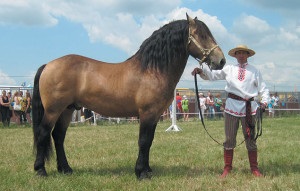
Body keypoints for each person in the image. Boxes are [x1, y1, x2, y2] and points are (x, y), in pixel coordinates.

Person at [192, 45, 270, 177]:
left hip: (249, 109)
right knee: (229, 138)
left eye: (243, 53)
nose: (240, 55)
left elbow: (263, 89)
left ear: (247, 55)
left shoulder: (255, 71)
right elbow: (212, 75)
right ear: (235, 55)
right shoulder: (229, 69)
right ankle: (227, 168)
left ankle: (254, 168)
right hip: (231, 107)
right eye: (238, 53)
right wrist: (201, 71)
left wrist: (264, 102)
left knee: (250, 139)